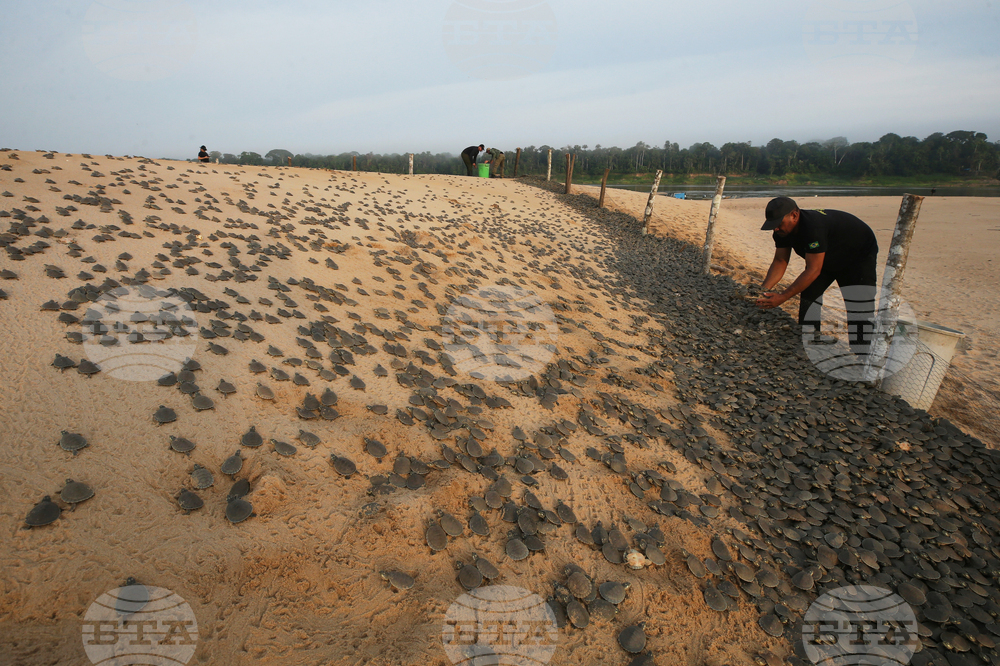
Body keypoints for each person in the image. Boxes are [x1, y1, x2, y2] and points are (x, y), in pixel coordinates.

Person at [756, 196, 879, 355]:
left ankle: (863, 355)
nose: (776, 229)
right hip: (825, 256)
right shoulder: (781, 232)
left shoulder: (813, 228)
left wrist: (783, 297)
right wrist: (762, 291)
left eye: (779, 224)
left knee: (859, 306)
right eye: (773, 225)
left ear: (794, 215)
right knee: (809, 295)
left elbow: (813, 270)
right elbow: (780, 261)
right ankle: (810, 341)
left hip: (856, 256)